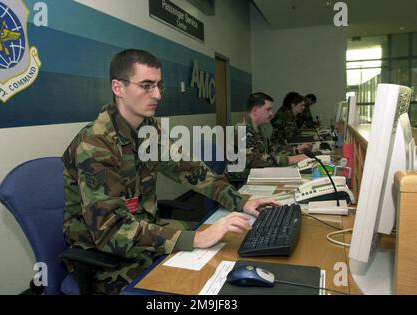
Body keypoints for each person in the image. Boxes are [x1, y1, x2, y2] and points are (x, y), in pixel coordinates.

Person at [61, 49, 280, 294]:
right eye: (146, 85)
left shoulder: (148, 128)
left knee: (225, 242)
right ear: (118, 87)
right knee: (187, 281)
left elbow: (190, 169)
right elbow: (110, 230)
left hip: (142, 229)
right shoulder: (95, 143)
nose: (157, 94)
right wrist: (196, 239)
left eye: (158, 85)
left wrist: (240, 201)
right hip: (104, 252)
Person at [227, 92, 310, 180]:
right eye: (268, 109)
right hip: (241, 182)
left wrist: (296, 150)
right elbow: (256, 162)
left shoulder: (258, 128)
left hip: (257, 176)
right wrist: (291, 159)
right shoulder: (241, 131)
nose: (271, 114)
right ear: (255, 111)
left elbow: (271, 148)